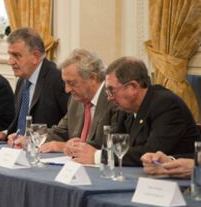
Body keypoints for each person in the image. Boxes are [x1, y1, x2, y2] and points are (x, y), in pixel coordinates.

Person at [69, 57, 201, 166]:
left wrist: (98, 157)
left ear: (132, 87)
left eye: (112, 90)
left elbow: (150, 153)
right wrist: (80, 147)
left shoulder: (166, 105)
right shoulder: (125, 107)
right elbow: (110, 143)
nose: (109, 97)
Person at [0, 27, 69, 141]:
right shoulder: (22, 80)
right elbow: (20, 122)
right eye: (10, 55)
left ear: (35, 57)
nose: (10, 62)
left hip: (46, 151)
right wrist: (5, 133)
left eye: (16, 55)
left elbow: (69, 126)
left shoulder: (57, 78)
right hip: (21, 147)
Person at [38, 49, 118, 152]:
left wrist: (64, 146)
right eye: (65, 83)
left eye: (71, 83)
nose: (67, 90)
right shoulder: (75, 100)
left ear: (93, 78)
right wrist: (29, 137)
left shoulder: (113, 100)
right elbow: (60, 132)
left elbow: (107, 145)